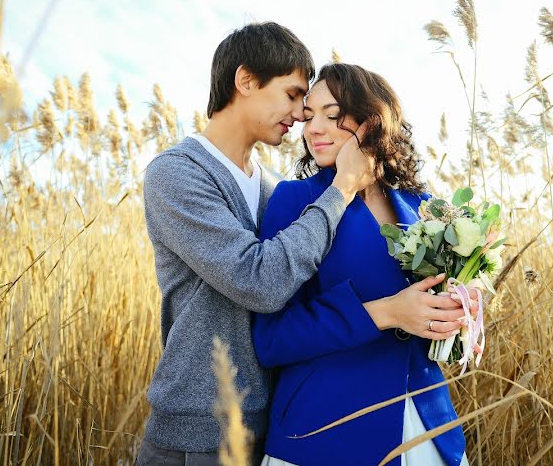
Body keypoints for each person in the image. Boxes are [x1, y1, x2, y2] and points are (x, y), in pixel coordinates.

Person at [136, 24, 466, 466]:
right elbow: (262, 282)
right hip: (201, 429)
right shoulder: (178, 174)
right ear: (246, 81)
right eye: (295, 98)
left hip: (272, 414)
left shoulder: (272, 189)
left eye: (316, 110)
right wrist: (344, 186)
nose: (301, 119)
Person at [253, 63, 470, 466]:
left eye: (332, 116)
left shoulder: (424, 206)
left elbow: (437, 306)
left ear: (372, 123)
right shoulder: (294, 200)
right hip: (328, 431)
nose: (313, 128)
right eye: (309, 115)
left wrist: (459, 310)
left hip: (429, 426)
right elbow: (271, 339)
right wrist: (387, 313)